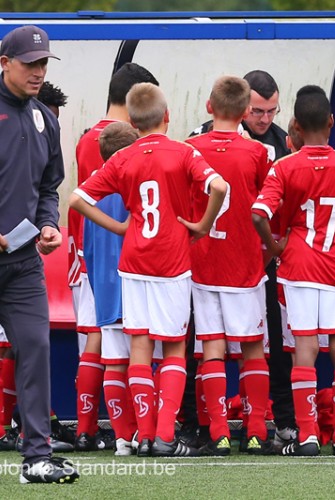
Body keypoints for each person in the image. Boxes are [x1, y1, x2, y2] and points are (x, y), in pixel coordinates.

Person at [70, 82, 227, 458]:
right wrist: (203, 225)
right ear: (167, 116)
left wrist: (122, 227)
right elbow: (219, 186)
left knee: (138, 346)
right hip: (171, 262)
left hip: (134, 262)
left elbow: (77, 200)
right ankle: (165, 435)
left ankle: (142, 436)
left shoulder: (122, 158)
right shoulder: (182, 152)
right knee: (173, 347)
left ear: (134, 122)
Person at [252, 85, 335, 456]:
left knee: (303, 348)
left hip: (299, 267)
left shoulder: (284, 167)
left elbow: (259, 213)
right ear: (331, 122)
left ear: (297, 129)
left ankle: (307, 436)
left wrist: (274, 247)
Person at [190, 69, 296, 449]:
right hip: (246, 265)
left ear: (209, 107)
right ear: (243, 112)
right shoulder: (259, 152)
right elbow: (271, 205)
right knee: (253, 346)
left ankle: (218, 432)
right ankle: (255, 430)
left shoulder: (191, 148)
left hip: (203, 264)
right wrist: (270, 248)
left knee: (212, 347)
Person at [0, 25, 79, 483]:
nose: (38, 71)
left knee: (35, 349)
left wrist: (49, 223)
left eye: (43, 63)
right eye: (30, 63)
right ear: (4, 63)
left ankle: (36, 458)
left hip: (24, 263)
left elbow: (49, 185)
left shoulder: (42, 118)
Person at [72, 63, 160, 452]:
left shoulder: (87, 137)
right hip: (125, 259)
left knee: (106, 345)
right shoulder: (128, 150)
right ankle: (139, 429)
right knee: (128, 346)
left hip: (91, 254)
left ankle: (98, 429)